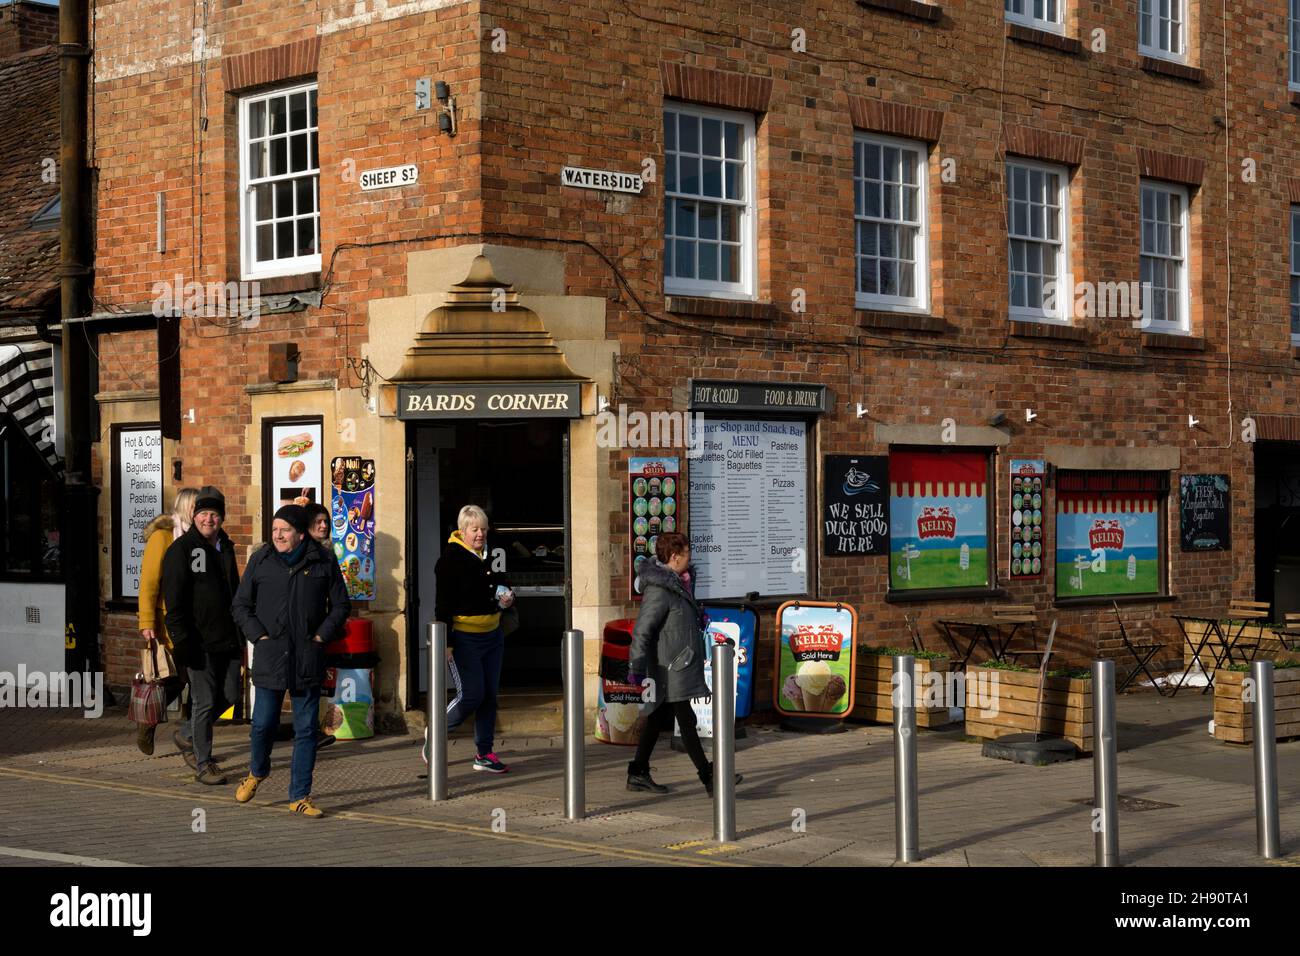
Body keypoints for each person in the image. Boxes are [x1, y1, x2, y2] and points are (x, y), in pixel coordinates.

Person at [231, 504, 350, 817]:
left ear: (299, 533)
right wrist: (260, 637)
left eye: (284, 530)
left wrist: (321, 637)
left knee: (307, 730)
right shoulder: (262, 559)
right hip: (271, 656)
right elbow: (241, 606)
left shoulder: (323, 560)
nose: (278, 535)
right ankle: (257, 772)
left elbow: (341, 606)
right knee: (262, 725)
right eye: (274, 530)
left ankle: (300, 796)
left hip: (307, 657)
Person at [626, 532, 741, 796]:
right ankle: (710, 778)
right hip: (669, 666)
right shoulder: (659, 589)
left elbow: (675, 620)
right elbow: (643, 629)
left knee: (656, 718)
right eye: (688, 553)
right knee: (687, 720)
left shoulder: (680, 583)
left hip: (679, 662)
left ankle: (637, 772)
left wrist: (695, 616)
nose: (691, 558)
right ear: (675, 557)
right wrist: (636, 667)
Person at [162, 486, 242, 785]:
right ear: (194, 516)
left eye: (215, 514)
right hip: (199, 642)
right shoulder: (180, 550)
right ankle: (204, 764)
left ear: (222, 518)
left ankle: (186, 733)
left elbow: (234, 592)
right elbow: (175, 603)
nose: (209, 519)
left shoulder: (226, 546)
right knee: (205, 702)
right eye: (204, 513)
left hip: (228, 639)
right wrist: (183, 642)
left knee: (230, 697)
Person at [429, 504, 514, 774]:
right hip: (464, 638)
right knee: (471, 694)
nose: (480, 534)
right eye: (475, 529)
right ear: (462, 530)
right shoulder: (450, 560)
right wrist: (446, 643)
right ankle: (437, 734)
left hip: (493, 635)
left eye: (484, 529)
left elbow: (502, 584)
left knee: (489, 696)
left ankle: (484, 753)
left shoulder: (488, 555)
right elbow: (442, 605)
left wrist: (507, 597)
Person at [135, 487, 199, 760]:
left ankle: (191, 736)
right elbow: (149, 584)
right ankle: (148, 723)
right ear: (185, 508)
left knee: (198, 682)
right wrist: (147, 623)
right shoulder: (162, 538)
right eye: (197, 508)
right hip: (167, 623)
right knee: (170, 681)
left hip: (196, 623)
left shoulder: (200, 539)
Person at [301, 500, 342, 750]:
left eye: (326, 521)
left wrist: (323, 633)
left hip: (316, 632)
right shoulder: (299, 553)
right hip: (297, 631)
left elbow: (339, 600)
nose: (324, 525)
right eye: (318, 521)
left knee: (311, 684)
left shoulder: (327, 555)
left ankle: (310, 733)